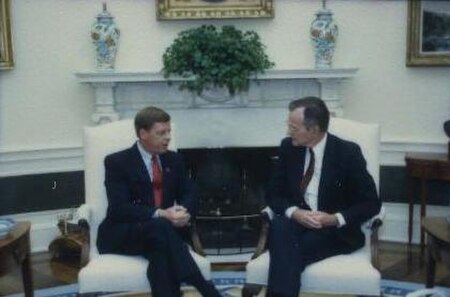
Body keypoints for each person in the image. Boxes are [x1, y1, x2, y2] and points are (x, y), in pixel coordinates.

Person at [96, 106, 221, 297]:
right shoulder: (117, 162)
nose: (168, 137)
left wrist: (184, 213)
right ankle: (206, 289)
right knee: (160, 226)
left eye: (169, 131)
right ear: (143, 134)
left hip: (161, 234)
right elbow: (119, 209)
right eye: (161, 133)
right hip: (123, 232)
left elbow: (190, 191)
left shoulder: (174, 160)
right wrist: (162, 214)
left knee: (161, 253)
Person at [265, 97, 381, 297]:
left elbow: (371, 203)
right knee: (280, 227)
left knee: (287, 250)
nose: (288, 132)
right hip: (297, 223)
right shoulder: (288, 148)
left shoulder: (347, 153)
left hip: (333, 231)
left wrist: (335, 219)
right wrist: (295, 213)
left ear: (314, 129)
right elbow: (272, 194)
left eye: (294, 127)